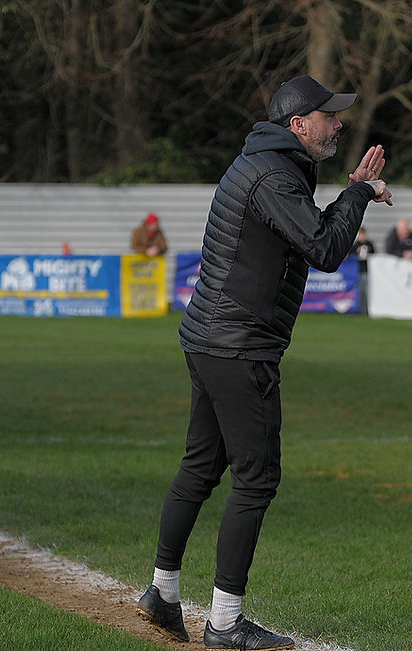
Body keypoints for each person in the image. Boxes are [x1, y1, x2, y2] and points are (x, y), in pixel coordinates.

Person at [136, 73, 392, 650]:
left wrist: (354, 192)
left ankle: (162, 592)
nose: (339, 123)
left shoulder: (264, 164)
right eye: (330, 116)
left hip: (209, 338)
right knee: (256, 481)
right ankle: (224, 624)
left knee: (200, 468)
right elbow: (325, 249)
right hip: (237, 346)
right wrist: (358, 192)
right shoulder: (276, 175)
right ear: (299, 124)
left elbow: (309, 231)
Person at [350, 226, 375, 314]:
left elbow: (374, 255)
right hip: (357, 271)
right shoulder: (355, 245)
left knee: (366, 291)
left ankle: (366, 310)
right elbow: (350, 255)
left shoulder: (370, 244)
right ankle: (360, 310)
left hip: (367, 270)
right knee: (359, 291)